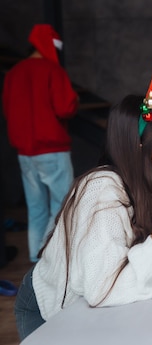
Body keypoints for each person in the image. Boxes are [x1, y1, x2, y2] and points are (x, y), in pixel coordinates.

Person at [14, 58, 152, 341]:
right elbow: (103, 290)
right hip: (50, 310)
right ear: (142, 147)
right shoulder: (102, 191)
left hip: (96, 313)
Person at [2, 24, 79, 263]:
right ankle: (52, 257)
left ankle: (37, 258)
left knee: (35, 208)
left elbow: (7, 111)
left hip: (25, 153)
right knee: (62, 205)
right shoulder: (52, 70)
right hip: (52, 150)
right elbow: (65, 107)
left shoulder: (13, 73)